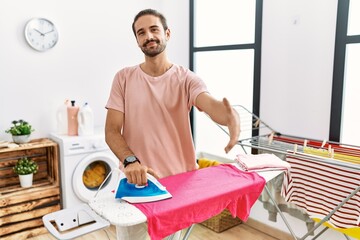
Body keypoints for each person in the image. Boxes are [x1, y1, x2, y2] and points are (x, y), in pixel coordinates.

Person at [105, 8, 240, 240]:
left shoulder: (186, 79)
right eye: (141, 32)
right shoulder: (123, 78)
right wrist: (130, 162)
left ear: (167, 33)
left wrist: (230, 116)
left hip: (177, 185)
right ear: (137, 40)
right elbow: (111, 131)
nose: (149, 36)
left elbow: (211, 106)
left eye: (154, 29)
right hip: (136, 182)